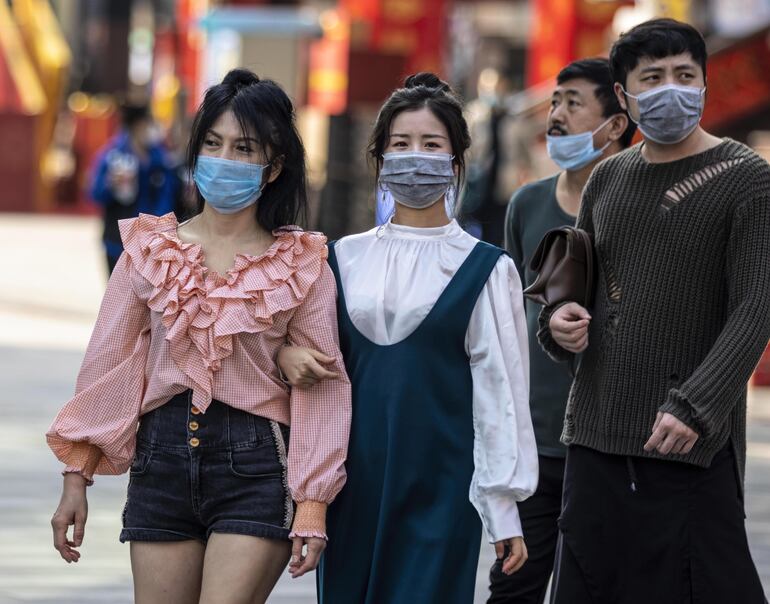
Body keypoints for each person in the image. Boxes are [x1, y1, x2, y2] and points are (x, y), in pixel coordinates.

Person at [47, 69, 351, 604]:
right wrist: (78, 477)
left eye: (243, 148)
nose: (223, 158)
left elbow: (324, 387)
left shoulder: (302, 265)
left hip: (255, 466)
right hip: (159, 461)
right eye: (213, 143)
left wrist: (312, 502)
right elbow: (110, 365)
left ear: (273, 166)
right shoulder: (149, 250)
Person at [277, 73, 539, 603]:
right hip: (352, 486)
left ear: (456, 160)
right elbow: (296, 355)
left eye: (430, 144)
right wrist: (285, 353)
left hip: (443, 489)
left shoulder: (487, 269)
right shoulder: (340, 258)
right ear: (379, 159)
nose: (414, 156)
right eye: (400, 144)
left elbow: (500, 394)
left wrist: (503, 508)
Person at [539, 19, 770, 603]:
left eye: (685, 75)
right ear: (624, 95)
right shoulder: (608, 178)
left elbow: (756, 306)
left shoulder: (748, 180)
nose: (672, 88)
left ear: (704, 84)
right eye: (654, 77)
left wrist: (695, 406)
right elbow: (579, 287)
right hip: (593, 433)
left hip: (686, 442)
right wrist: (559, 322)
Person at [489, 57, 636, 604]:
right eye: (556, 101)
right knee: (513, 586)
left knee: (596, 585)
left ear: (615, 123)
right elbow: (507, 316)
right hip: (535, 438)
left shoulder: (640, 206)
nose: (556, 115)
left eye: (574, 103)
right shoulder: (528, 202)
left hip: (613, 437)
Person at [90, 102, 176, 274]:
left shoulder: (160, 157)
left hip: (152, 243)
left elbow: (169, 194)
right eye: (148, 123)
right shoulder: (112, 155)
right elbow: (95, 193)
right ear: (137, 126)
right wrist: (110, 184)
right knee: (119, 297)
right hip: (117, 242)